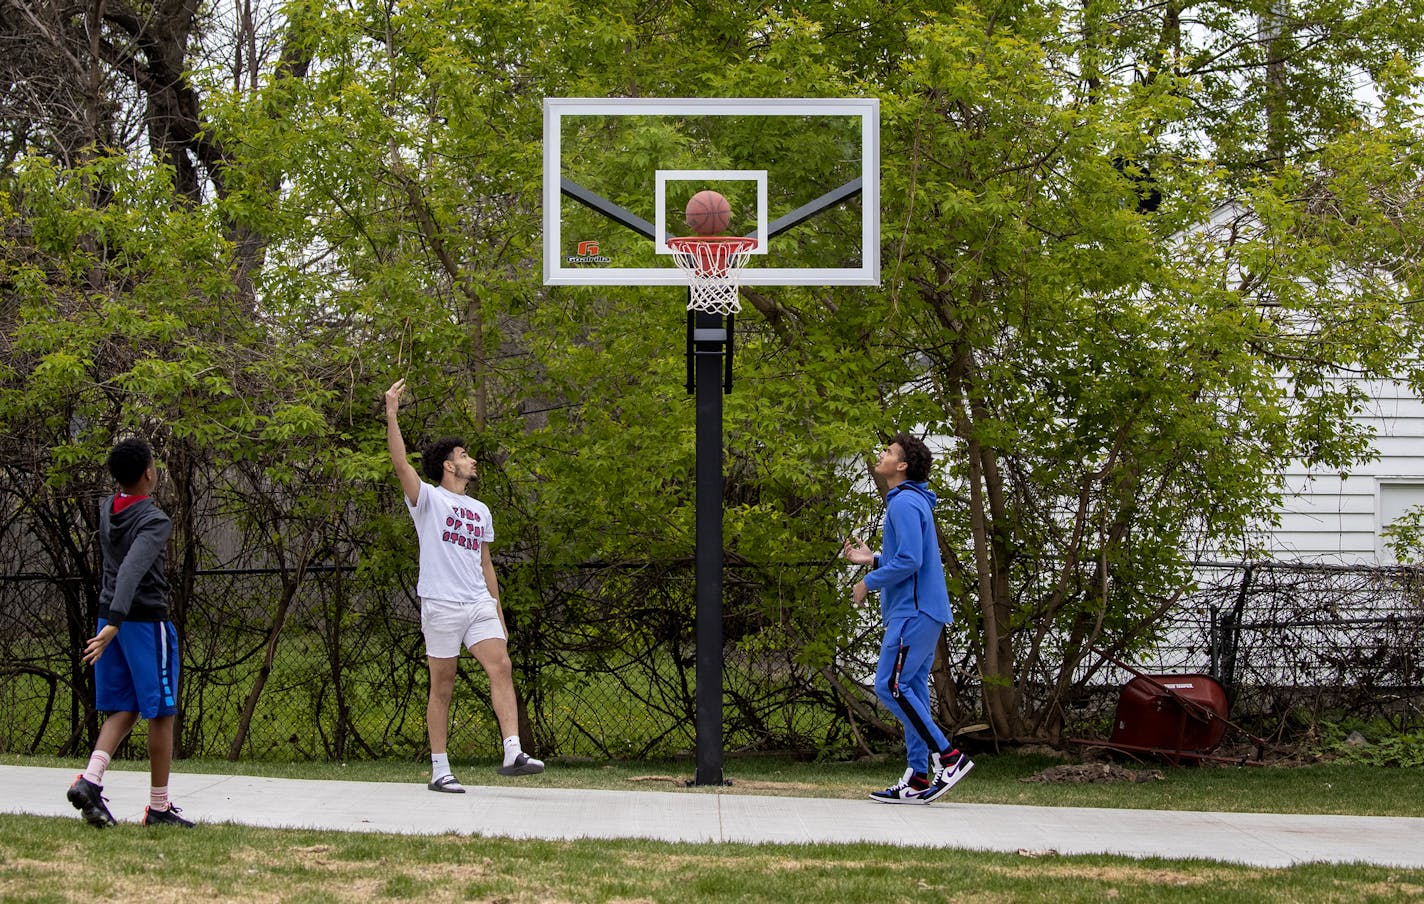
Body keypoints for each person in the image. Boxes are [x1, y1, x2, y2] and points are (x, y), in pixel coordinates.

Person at [384, 379, 543, 791]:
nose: (472, 460)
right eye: (463, 455)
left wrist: (498, 612)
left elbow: (485, 563)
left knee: (501, 665)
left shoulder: (480, 510)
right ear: (448, 466)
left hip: (477, 603)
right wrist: (392, 414)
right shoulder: (428, 500)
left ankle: (512, 750)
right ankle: (440, 769)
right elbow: (401, 465)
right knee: (443, 685)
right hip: (440, 604)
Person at [67, 437, 194, 828]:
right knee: (161, 712)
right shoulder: (154, 520)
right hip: (140, 622)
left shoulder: (109, 507)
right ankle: (158, 808)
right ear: (149, 473)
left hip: (110, 618)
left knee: (125, 705)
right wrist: (117, 623)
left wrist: (108, 623)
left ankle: (90, 780)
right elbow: (130, 572)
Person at [843, 433, 974, 804]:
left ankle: (949, 758)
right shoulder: (911, 501)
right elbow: (908, 559)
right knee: (911, 690)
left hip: (913, 613)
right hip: (921, 610)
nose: (881, 455)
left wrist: (868, 581)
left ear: (901, 466)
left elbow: (911, 562)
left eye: (888, 452)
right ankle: (917, 777)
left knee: (890, 685)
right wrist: (874, 559)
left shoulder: (902, 503)